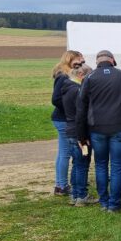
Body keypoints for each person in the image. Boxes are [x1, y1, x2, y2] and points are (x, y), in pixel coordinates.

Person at [77, 50, 121, 213]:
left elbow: (81, 108)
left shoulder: (90, 78)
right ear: (112, 60)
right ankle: (114, 204)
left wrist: (82, 135)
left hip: (97, 129)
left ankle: (104, 202)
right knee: (117, 166)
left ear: (97, 61)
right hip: (119, 128)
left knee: (100, 165)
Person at [61, 64, 98, 206]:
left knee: (76, 164)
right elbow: (81, 115)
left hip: (70, 129)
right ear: (82, 75)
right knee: (82, 164)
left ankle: (75, 195)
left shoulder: (68, 88)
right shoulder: (77, 90)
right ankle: (81, 195)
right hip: (78, 132)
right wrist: (83, 136)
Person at [51, 50, 84, 196]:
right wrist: (70, 109)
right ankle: (62, 185)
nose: (81, 64)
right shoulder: (63, 77)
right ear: (70, 60)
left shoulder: (65, 75)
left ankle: (59, 184)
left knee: (62, 153)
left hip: (62, 118)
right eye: (79, 61)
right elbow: (56, 99)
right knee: (65, 153)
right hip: (64, 119)